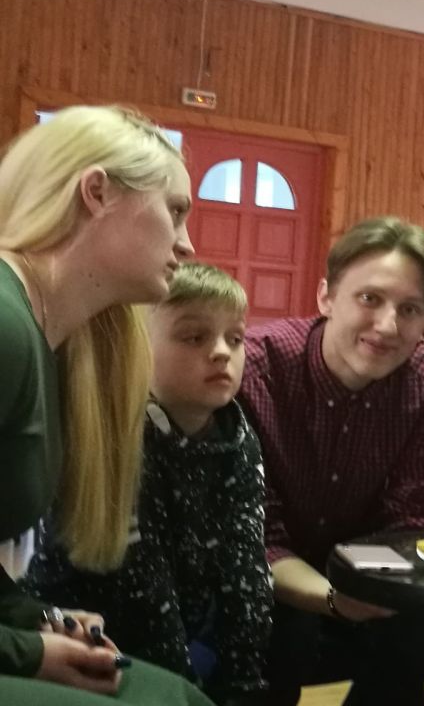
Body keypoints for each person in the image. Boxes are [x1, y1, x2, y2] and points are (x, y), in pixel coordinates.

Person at [0, 105, 213, 704]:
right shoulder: (6, 326)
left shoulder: (46, 339)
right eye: (175, 212)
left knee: (176, 695)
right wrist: (27, 651)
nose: (188, 245)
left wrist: (36, 618)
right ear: (96, 193)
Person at [237, 217, 424, 706]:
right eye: (369, 299)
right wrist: (329, 597)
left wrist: (364, 591)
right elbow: (254, 530)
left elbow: (409, 520)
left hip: (368, 580)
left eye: (409, 309)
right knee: (280, 626)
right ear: (326, 297)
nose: (387, 326)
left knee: (414, 623)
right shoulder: (258, 367)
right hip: (269, 580)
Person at [24, 262, 272, 705]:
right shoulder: (123, 438)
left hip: (182, 632)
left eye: (235, 338)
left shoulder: (240, 438)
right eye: (194, 337)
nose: (221, 352)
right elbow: (142, 595)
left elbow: (246, 566)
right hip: (85, 641)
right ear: (139, 346)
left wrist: (244, 685)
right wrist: (186, 693)